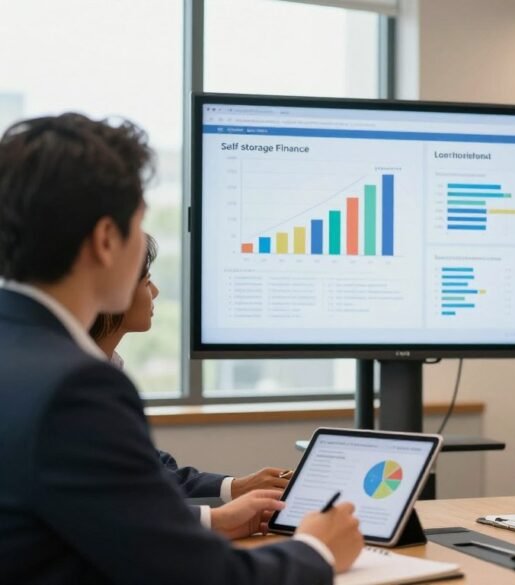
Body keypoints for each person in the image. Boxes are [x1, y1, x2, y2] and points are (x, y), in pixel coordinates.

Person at [0, 113, 362, 583]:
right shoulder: (75, 386)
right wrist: (318, 549)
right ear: (107, 239)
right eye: (139, 225)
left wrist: (210, 518)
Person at [88, 234, 291, 535]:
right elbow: (118, 500)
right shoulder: (77, 384)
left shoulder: (105, 368)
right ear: (115, 291)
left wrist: (236, 487)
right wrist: (216, 520)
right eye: (146, 282)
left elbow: (152, 469)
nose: (155, 292)